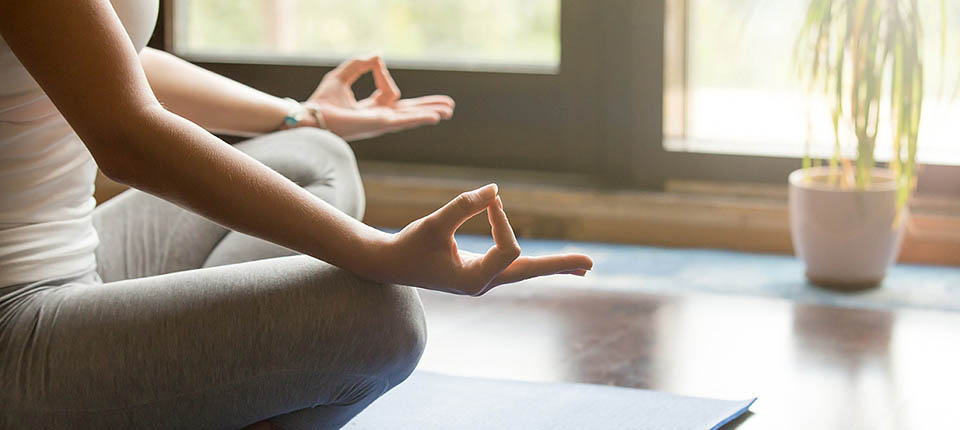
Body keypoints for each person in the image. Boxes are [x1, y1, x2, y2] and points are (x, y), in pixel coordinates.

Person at [0, 0, 593, 429]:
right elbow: (124, 134)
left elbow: (112, 60)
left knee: (314, 157)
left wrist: (303, 115)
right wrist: (374, 250)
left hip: (80, 255)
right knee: (377, 317)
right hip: (13, 326)